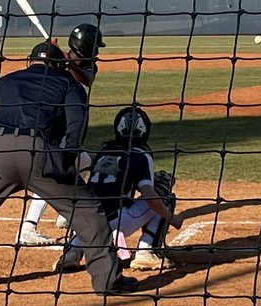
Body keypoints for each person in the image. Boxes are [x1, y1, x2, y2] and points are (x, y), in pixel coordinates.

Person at [0, 42, 137, 296]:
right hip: (40, 153)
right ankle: (108, 281)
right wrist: (64, 160)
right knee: (87, 211)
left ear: (29, 61)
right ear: (59, 65)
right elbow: (77, 124)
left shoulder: (4, 82)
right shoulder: (68, 84)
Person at [56, 106, 185, 273]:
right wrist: (171, 217)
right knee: (162, 193)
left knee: (94, 210)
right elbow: (149, 195)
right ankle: (147, 251)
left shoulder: (103, 150)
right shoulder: (141, 154)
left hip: (87, 220)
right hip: (117, 222)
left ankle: (72, 252)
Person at [19, 22, 107, 245]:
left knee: (84, 162)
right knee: (54, 172)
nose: (96, 51)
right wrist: (49, 53)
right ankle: (28, 226)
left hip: (66, 124)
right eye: (95, 46)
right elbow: (36, 68)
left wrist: (68, 63)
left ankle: (65, 214)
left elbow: (87, 79)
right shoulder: (57, 57)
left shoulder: (88, 64)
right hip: (50, 122)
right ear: (86, 44)